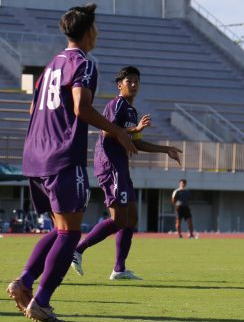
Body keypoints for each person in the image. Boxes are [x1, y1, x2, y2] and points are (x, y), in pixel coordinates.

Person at [6, 4, 137, 322]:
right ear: (88, 31)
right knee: (70, 233)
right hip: (63, 156)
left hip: (34, 154)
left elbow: (32, 110)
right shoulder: (84, 63)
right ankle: (41, 301)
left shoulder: (51, 66)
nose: (99, 33)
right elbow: (81, 107)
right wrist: (118, 131)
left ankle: (24, 283)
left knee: (59, 228)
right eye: (96, 27)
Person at [72, 66, 182, 280]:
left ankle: (119, 269)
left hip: (121, 166)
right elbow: (107, 131)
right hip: (110, 164)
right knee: (119, 219)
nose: (133, 84)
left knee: (131, 217)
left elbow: (136, 143)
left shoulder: (131, 111)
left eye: (136, 81)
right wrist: (135, 129)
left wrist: (165, 149)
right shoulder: (117, 104)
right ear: (119, 85)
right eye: (129, 81)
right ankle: (77, 250)